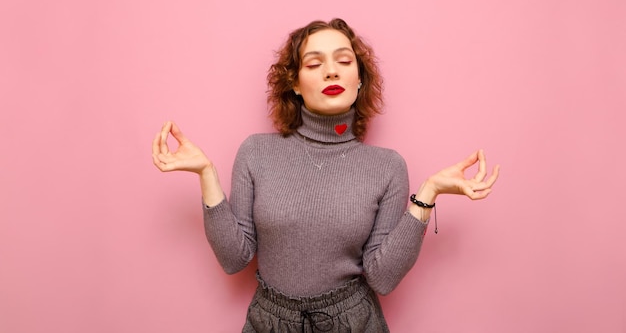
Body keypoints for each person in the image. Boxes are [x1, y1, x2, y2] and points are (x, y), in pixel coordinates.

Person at [152, 18, 499, 332]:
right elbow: (234, 259)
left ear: (359, 80)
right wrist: (206, 174)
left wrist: (429, 192)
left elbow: (383, 278)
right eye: (314, 64)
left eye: (344, 61)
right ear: (296, 85)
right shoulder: (255, 152)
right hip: (270, 322)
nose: (331, 72)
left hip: (353, 322)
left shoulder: (387, 166)